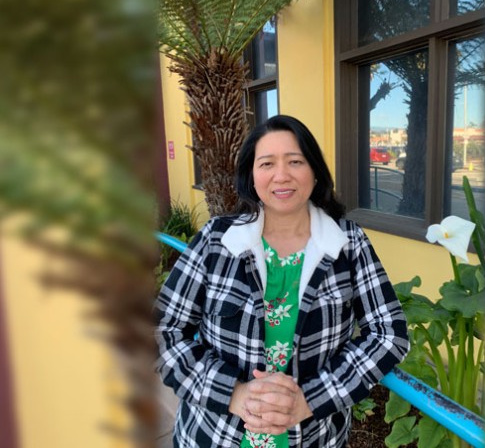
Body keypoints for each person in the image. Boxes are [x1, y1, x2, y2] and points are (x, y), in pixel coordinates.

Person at [155, 115, 409, 447]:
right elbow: (164, 330)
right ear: (251, 174)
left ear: (315, 171)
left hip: (315, 437)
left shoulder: (348, 243)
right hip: (214, 434)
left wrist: (311, 399)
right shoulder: (216, 240)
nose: (281, 175)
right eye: (267, 163)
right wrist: (234, 394)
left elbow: (389, 333)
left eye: (295, 161)